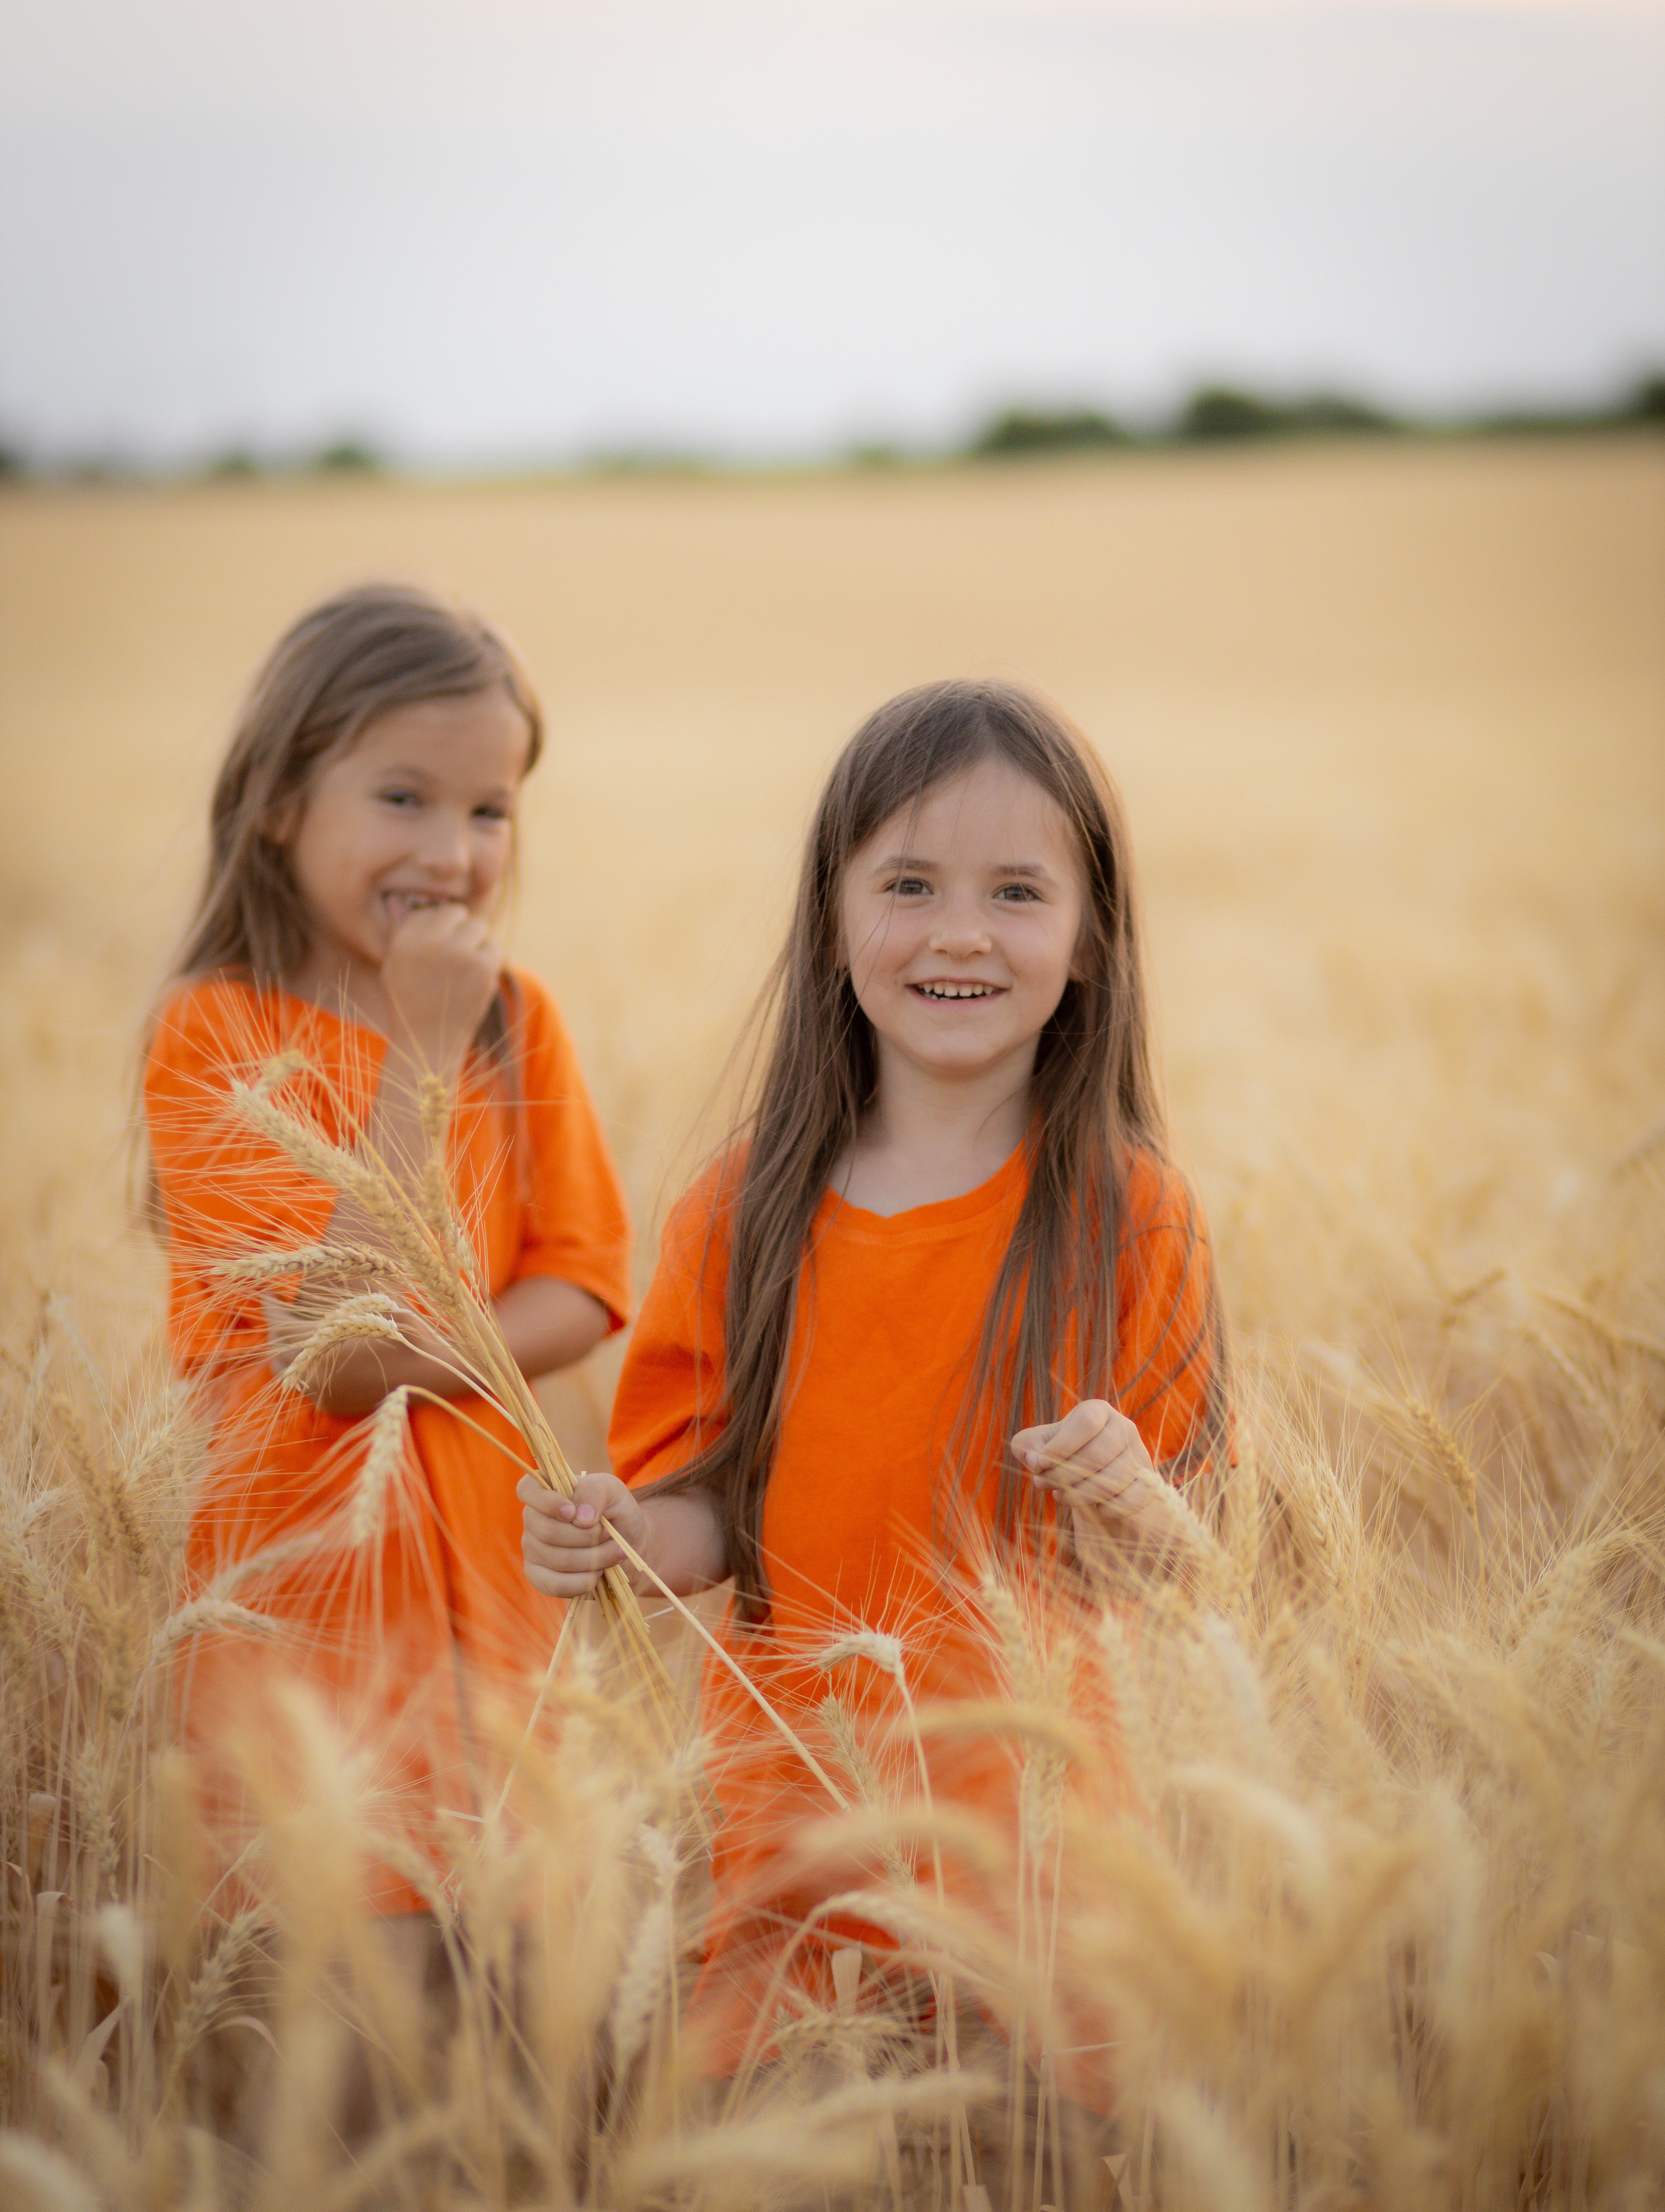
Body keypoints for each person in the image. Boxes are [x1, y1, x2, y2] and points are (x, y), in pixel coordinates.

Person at [520, 678, 1228, 2072]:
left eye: (1018, 893)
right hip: (797, 1813)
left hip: (1042, 1825)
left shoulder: (1131, 1215)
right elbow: (707, 1512)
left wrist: (1127, 1490)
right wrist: (614, 1530)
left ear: (1090, 944)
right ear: (832, 922)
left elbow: (1180, 1563)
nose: (959, 933)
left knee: (1034, 2147)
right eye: (907, 883)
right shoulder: (740, 1211)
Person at [144, 582, 632, 1912]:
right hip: (297, 1613)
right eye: (403, 798)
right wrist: (417, 1052)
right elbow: (331, 1358)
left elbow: (583, 1285)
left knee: (504, 1991)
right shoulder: (216, 1038)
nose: (453, 849)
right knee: (346, 2018)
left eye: (489, 811)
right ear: (279, 800)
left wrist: (430, 1350)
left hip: (491, 1598)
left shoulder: (514, 1020)